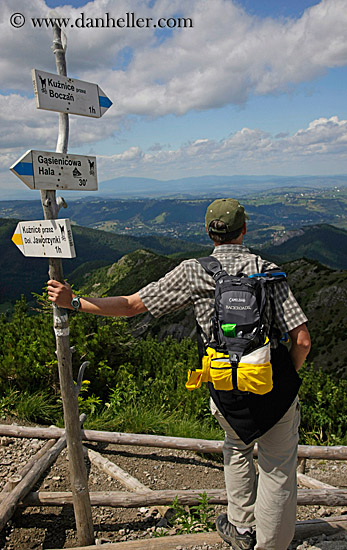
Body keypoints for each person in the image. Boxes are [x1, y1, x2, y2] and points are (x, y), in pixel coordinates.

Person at [47, 198, 311, 550]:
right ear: (244, 230)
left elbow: (130, 306)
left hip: (226, 388)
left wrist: (74, 301)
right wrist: (282, 381)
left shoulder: (193, 271)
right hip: (272, 387)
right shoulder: (268, 269)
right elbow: (303, 341)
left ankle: (241, 528)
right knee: (278, 471)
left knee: (236, 446)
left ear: (209, 233)